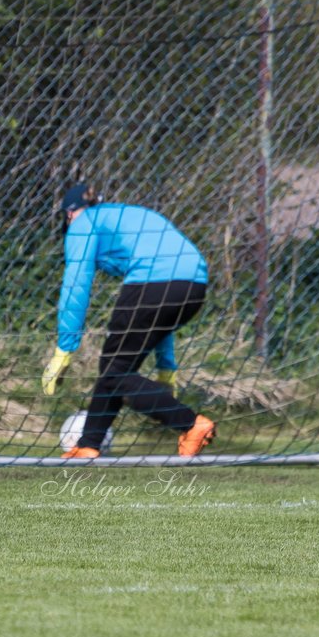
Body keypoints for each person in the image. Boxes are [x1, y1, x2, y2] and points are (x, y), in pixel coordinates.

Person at [42, 183, 216, 459]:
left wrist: (64, 348)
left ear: (70, 213)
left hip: (152, 283)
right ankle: (89, 446)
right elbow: (161, 315)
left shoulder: (82, 222)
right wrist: (166, 366)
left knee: (114, 372)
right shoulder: (125, 216)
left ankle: (191, 424)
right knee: (115, 368)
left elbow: (76, 283)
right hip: (194, 286)